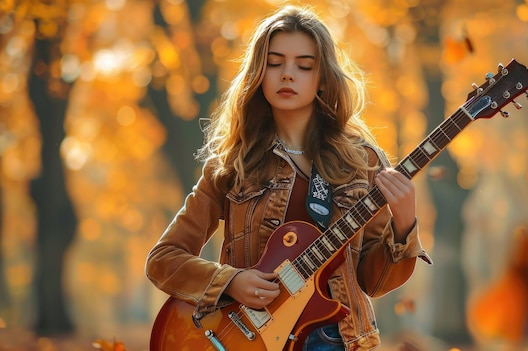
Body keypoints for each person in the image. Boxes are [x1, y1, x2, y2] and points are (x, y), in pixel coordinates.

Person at [145, 4, 432, 350]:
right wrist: (230, 281)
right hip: (246, 340)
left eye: (304, 65)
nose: (287, 74)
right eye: (275, 63)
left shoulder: (362, 162)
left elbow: (373, 283)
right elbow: (163, 259)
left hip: (335, 340)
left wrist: (402, 227)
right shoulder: (232, 163)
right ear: (258, 74)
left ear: (323, 77)